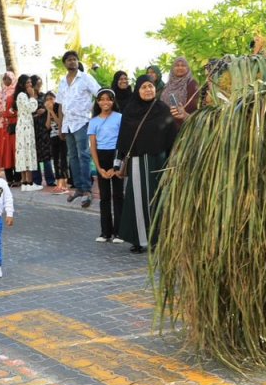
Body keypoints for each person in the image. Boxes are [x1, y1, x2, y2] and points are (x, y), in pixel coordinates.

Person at [117, 78, 178, 254]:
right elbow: (124, 137)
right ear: (137, 90)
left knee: (157, 198)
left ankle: (156, 240)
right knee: (136, 199)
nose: (148, 90)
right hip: (136, 160)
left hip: (157, 160)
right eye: (143, 87)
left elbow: (172, 135)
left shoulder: (162, 109)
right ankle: (138, 240)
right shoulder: (130, 110)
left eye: (150, 86)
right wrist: (118, 161)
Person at [57, 51, 101, 207]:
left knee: (83, 155)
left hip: (82, 122)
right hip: (67, 124)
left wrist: (94, 114)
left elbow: (99, 94)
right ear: (65, 63)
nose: (72, 62)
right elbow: (60, 105)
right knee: (72, 157)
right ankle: (79, 188)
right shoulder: (62, 82)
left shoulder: (86, 78)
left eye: (74, 59)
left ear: (78, 62)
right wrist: (61, 126)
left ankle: (87, 190)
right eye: (69, 60)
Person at [89, 89, 124, 243]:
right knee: (104, 197)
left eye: (108, 99)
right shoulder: (94, 121)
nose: (105, 102)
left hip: (116, 156)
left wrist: (116, 167)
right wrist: (99, 168)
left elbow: (122, 142)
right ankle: (105, 232)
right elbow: (93, 146)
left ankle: (119, 232)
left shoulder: (119, 118)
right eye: (101, 99)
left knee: (118, 195)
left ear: (113, 101)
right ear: (97, 102)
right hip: (101, 158)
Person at [14, 75, 40, 191]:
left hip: (24, 126)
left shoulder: (21, 95)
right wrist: (33, 96)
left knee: (24, 152)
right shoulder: (23, 95)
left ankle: (25, 182)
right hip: (25, 128)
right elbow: (31, 108)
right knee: (26, 152)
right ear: (22, 84)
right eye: (27, 83)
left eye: (30, 82)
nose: (30, 85)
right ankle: (28, 182)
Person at [30, 76, 56, 188]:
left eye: (40, 84)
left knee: (46, 154)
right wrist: (35, 113)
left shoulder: (44, 96)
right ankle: (36, 180)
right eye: (37, 84)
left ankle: (50, 180)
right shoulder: (28, 98)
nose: (39, 86)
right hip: (32, 128)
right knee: (34, 154)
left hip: (44, 128)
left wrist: (44, 110)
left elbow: (51, 107)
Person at [0, 71, 18, 182]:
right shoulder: (0, 93)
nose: (6, 80)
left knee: (14, 151)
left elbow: (16, 110)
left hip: (12, 125)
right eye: (4, 78)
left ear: (13, 78)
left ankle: (17, 178)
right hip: (1, 126)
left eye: (8, 78)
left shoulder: (16, 92)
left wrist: (5, 114)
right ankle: (9, 178)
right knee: (4, 151)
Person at [45, 92, 70, 194]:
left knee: (63, 160)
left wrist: (52, 110)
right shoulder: (49, 110)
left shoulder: (59, 107)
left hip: (62, 137)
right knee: (55, 160)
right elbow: (47, 126)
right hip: (53, 136)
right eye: (47, 99)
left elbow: (60, 122)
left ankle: (64, 184)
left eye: (51, 98)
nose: (49, 101)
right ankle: (59, 183)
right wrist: (48, 112)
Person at [162, 57, 199, 125]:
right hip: (165, 126)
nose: (180, 68)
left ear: (187, 68)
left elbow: (193, 107)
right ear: (173, 68)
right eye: (177, 65)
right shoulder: (167, 86)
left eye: (183, 65)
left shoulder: (192, 83)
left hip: (184, 126)